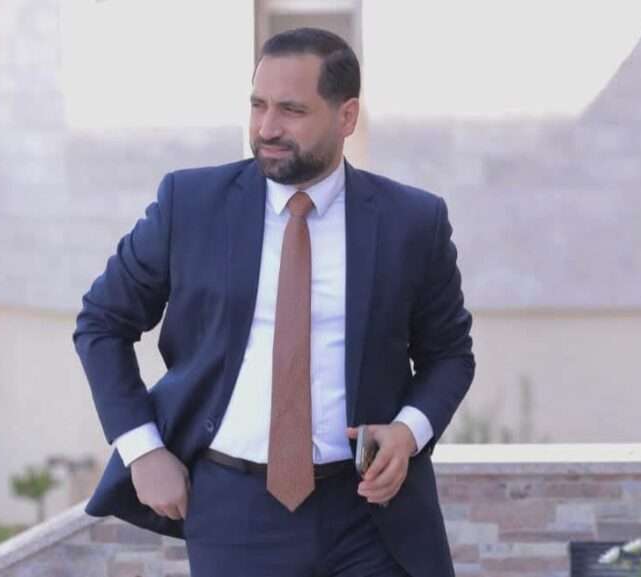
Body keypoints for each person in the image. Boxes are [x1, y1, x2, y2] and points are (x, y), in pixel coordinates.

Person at [74, 27, 474, 577]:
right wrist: (142, 450)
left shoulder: (412, 222)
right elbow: (101, 323)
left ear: (347, 116)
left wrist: (408, 432)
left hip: (371, 514)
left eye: (291, 110)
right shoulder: (190, 204)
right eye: (258, 105)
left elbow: (449, 355)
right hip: (233, 510)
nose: (266, 128)